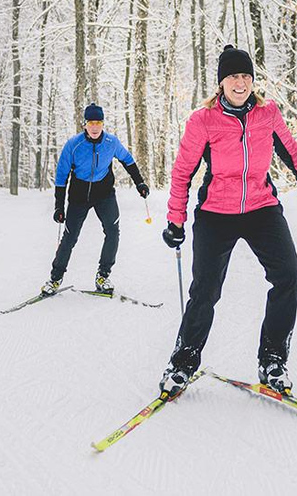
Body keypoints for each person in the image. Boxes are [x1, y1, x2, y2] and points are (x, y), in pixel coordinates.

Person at [160, 45, 297, 397]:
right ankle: (182, 364)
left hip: (261, 208)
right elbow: (182, 173)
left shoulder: (267, 114)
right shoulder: (203, 120)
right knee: (205, 291)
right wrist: (175, 220)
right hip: (216, 213)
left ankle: (272, 361)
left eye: (247, 76)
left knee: (290, 277)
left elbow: (291, 153)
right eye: (234, 76)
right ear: (222, 82)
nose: (241, 82)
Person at [41, 102, 149, 295]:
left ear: (102, 123)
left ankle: (103, 276)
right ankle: (55, 279)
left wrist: (140, 183)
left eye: (98, 122)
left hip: (104, 193)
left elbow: (128, 160)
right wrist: (59, 207)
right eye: (91, 122)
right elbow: (61, 177)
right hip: (79, 195)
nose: (94, 126)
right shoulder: (73, 145)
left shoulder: (111, 142)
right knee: (70, 237)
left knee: (113, 231)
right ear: (85, 124)